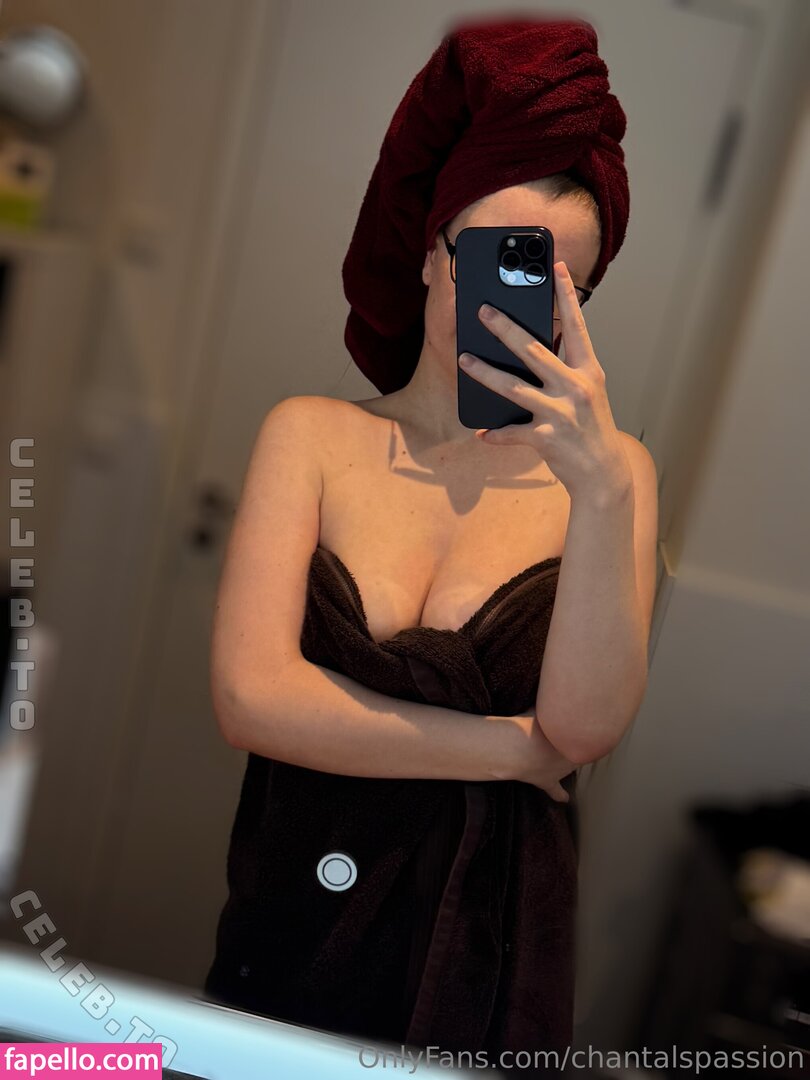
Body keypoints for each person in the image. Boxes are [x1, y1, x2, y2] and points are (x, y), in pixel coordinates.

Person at [203, 13, 658, 1070]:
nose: (515, 306)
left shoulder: (615, 474)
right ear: (428, 250)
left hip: (491, 949)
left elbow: (584, 727)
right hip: (293, 908)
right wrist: (510, 752)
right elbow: (250, 699)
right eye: (495, 262)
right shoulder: (311, 437)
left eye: (559, 284)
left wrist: (597, 492)